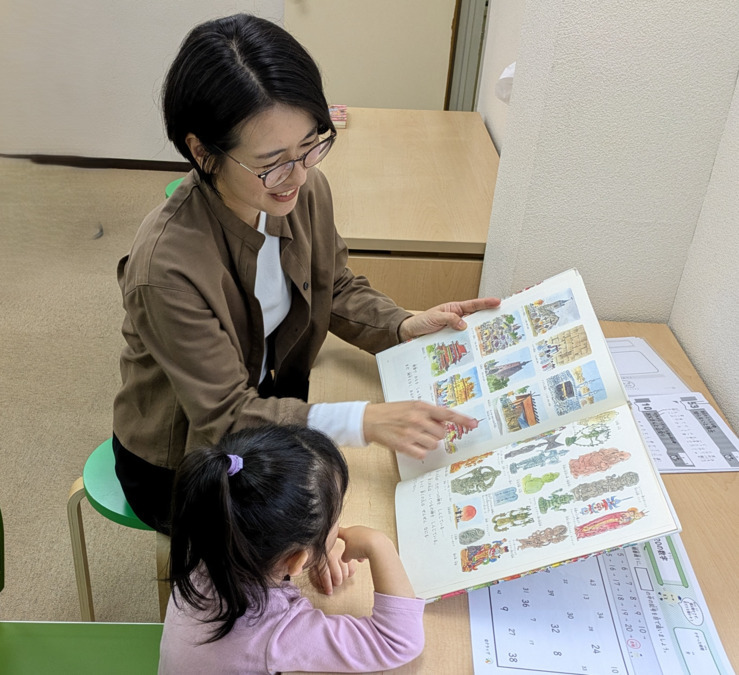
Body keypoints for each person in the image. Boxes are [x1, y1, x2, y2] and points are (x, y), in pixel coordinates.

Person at [112, 13, 500, 551]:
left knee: (358, 514)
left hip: (268, 404)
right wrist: (364, 421)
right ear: (203, 152)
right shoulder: (165, 269)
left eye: (311, 145)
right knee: (338, 536)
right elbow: (226, 419)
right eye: (271, 162)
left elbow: (332, 285)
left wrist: (403, 325)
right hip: (186, 462)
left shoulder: (301, 189)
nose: (298, 175)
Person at [158, 425, 425, 674]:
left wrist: (316, 545)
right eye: (335, 519)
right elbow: (397, 642)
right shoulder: (274, 632)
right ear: (295, 560)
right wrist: (379, 545)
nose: (339, 525)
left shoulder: (210, 530)